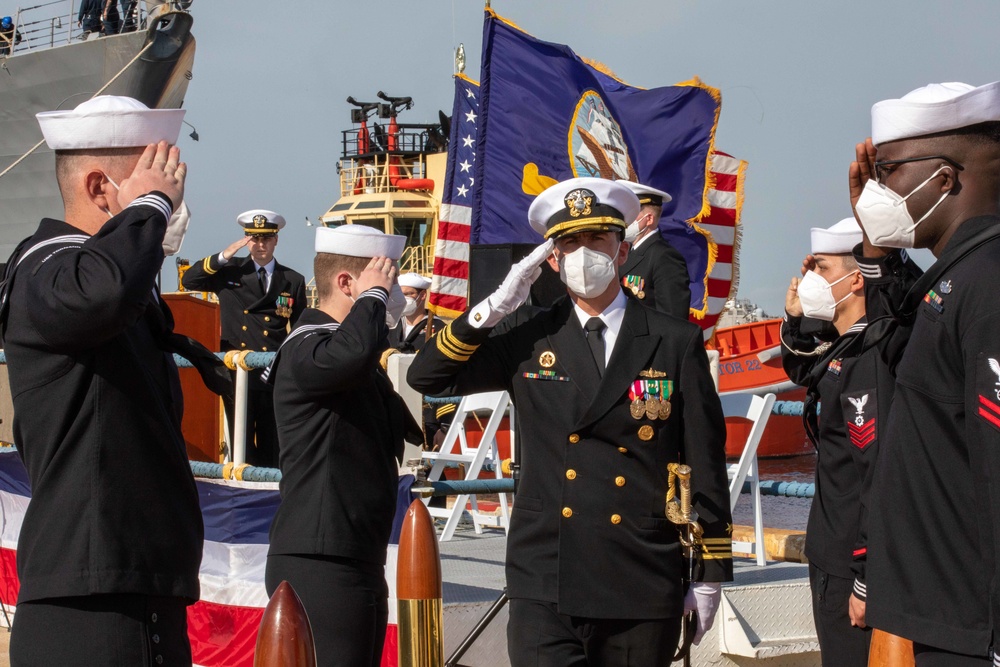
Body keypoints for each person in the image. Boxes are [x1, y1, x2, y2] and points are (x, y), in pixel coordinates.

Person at [408, 177, 732, 666]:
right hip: (547, 575)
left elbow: (704, 458)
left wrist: (709, 572)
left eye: (597, 240)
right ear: (553, 261)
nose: (584, 254)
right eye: (569, 243)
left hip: (640, 573)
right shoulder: (529, 335)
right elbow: (428, 376)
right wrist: (494, 308)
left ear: (621, 251)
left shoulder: (673, 340)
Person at [0, 96, 203, 664]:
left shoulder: (109, 281)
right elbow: (101, 294)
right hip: (86, 604)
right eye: (155, 181)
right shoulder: (45, 266)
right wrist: (150, 209)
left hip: (137, 585)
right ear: (98, 189)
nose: (173, 201)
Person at [848, 80, 1000, 666]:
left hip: (976, 632)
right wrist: (878, 250)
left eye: (887, 173)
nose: (876, 192)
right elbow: (895, 358)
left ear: (944, 178)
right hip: (944, 619)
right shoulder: (954, 280)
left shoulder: (987, 285)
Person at [264, 225, 414, 667]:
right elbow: (347, 357)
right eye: (385, 283)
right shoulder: (306, 346)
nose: (393, 295)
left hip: (355, 552)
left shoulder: (347, 352)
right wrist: (372, 302)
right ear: (347, 284)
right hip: (319, 559)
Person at [780, 217, 881, 667]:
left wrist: (864, 577)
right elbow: (806, 370)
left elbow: (875, 473)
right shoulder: (845, 346)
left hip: (849, 561)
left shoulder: (870, 355)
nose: (809, 279)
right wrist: (797, 318)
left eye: (820, 267)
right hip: (830, 550)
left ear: (855, 278)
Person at [181, 209, 307, 468]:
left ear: (276, 240)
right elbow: (190, 279)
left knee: (274, 439)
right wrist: (225, 255)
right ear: (246, 240)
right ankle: (246, 492)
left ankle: (272, 494)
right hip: (238, 371)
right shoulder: (230, 273)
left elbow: (299, 328)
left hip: (272, 371)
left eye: (266, 239)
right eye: (254, 239)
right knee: (242, 439)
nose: (260, 245)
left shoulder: (292, 280)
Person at [618, 180, 691, 320]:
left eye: (631, 214)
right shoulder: (626, 252)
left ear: (649, 219)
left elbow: (673, 319)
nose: (624, 220)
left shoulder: (665, 256)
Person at [390, 272, 442, 353]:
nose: (403, 299)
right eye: (400, 295)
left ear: (423, 295)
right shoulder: (392, 326)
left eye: (408, 294)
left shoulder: (438, 328)